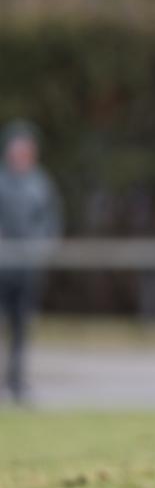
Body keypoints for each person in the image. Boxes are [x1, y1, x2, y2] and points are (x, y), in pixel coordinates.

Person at [0, 120, 63, 404]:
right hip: (2, 267)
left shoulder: (41, 184)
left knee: (21, 327)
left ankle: (16, 381)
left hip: (27, 269)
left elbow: (50, 222)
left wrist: (40, 249)